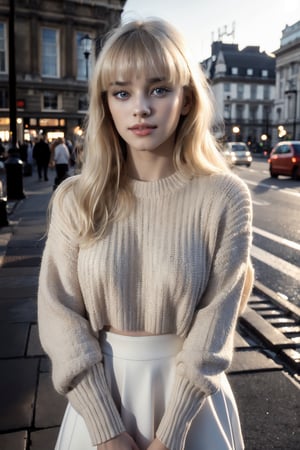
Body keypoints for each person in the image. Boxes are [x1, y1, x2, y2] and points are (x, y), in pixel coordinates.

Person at [38, 19, 254, 450]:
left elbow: (215, 324)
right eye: (122, 92)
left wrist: (171, 435)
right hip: (101, 402)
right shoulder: (75, 198)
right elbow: (59, 314)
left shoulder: (225, 196)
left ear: (187, 99)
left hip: (192, 408)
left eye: (158, 89)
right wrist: (107, 431)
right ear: (107, 104)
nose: (140, 107)